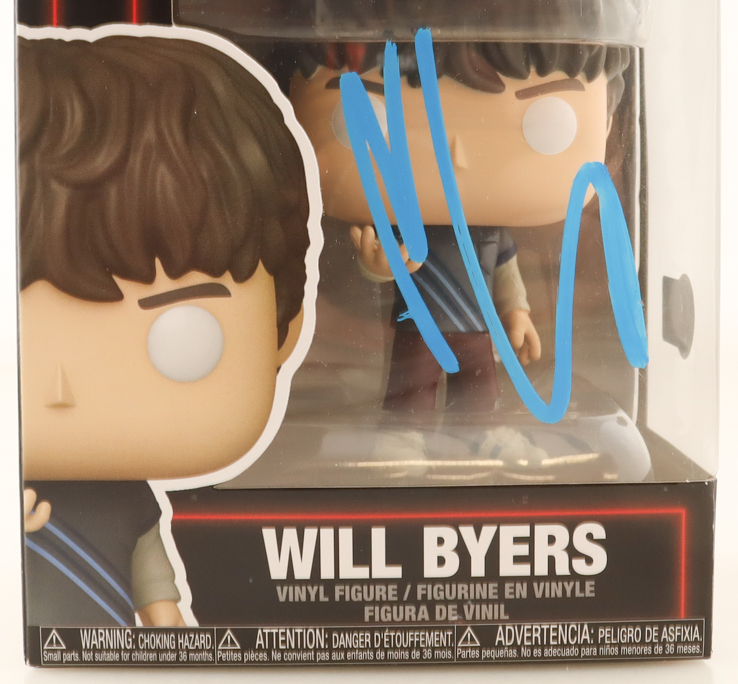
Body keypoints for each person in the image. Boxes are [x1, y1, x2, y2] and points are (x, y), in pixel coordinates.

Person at [19, 32, 311, 627]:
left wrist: (170, 633)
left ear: (282, 331)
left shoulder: (129, 502)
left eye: (181, 339)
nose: (59, 390)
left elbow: (155, 590)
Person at [290, 38, 629, 426]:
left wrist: (517, 313)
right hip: (420, 324)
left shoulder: (489, 230)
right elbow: (380, 269)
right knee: (412, 388)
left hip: (475, 326)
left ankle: (480, 432)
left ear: (607, 119)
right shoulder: (404, 226)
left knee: (479, 390)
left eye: (548, 123)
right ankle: (406, 432)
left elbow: (507, 271)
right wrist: (379, 267)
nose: (456, 155)